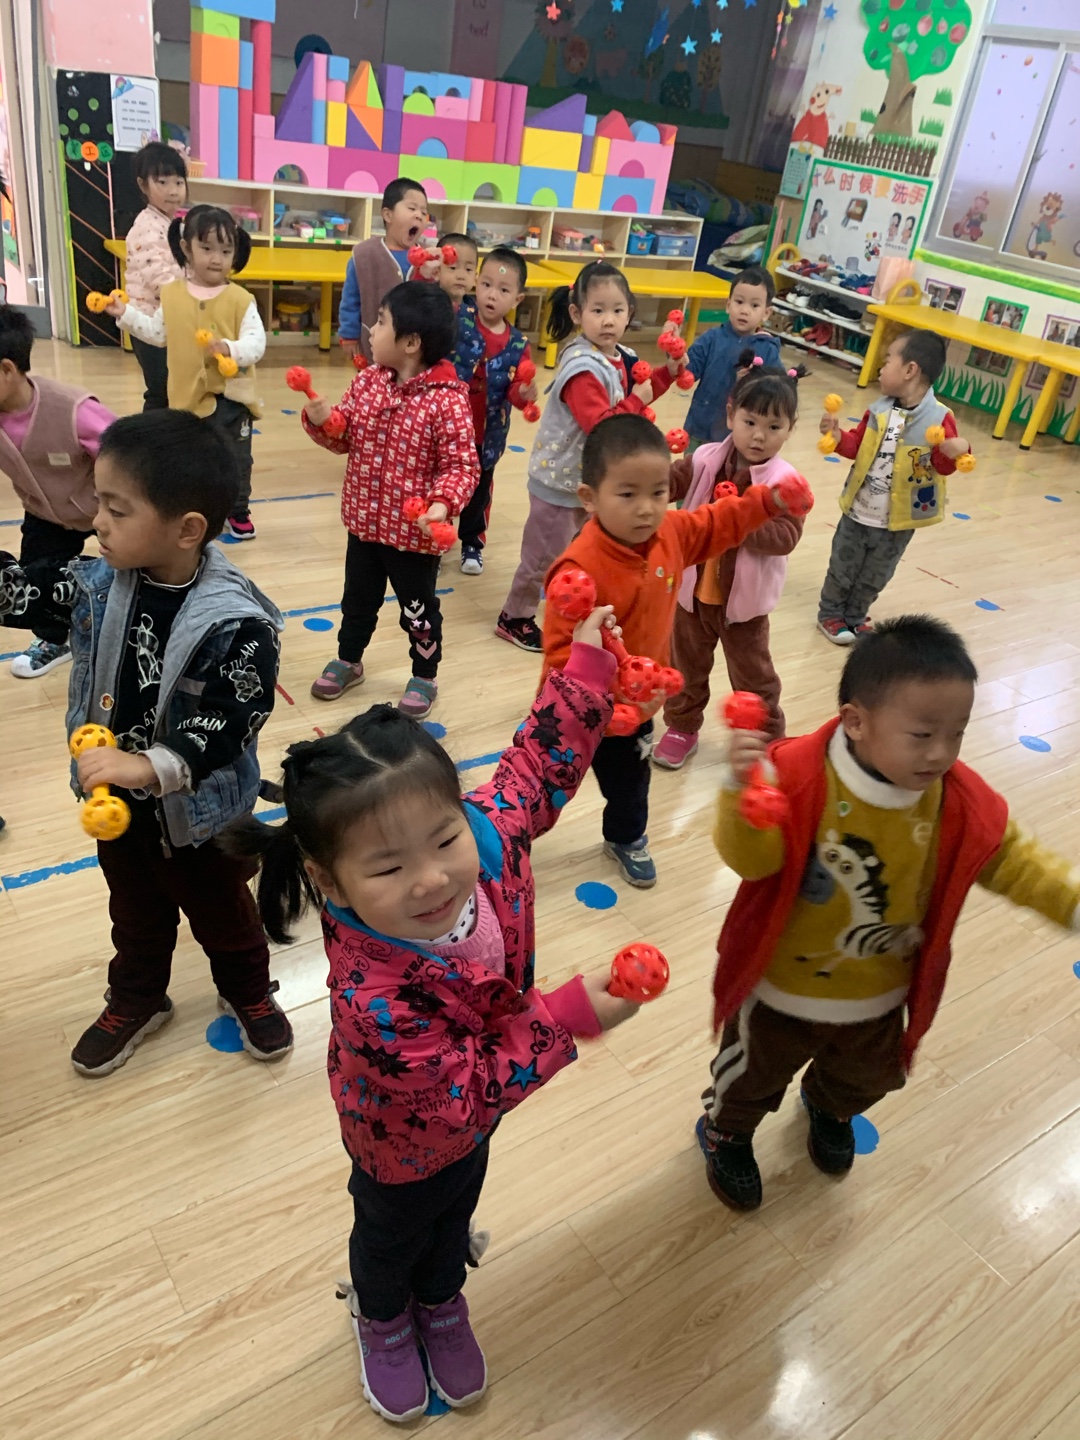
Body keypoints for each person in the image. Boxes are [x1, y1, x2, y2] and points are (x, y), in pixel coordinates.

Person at [227, 606, 641, 1424]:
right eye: (387, 867)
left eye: (443, 839)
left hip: (480, 1116)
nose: (431, 879)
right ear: (331, 881)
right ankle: (382, 1314)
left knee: (457, 1210)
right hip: (400, 1140)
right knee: (392, 1235)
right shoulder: (374, 997)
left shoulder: (482, 841)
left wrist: (587, 672)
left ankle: (442, 1295)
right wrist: (568, 1016)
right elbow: (459, 1094)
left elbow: (534, 769)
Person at [698, 615, 1080, 1210]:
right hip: (779, 991)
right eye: (922, 734)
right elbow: (752, 862)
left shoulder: (957, 800)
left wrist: (1072, 902)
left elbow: (1014, 860)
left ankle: (828, 1107)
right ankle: (727, 1131)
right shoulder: (794, 775)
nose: (941, 753)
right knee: (750, 1075)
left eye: (957, 734)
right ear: (856, 722)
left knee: (866, 1078)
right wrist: (742, 794)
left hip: (879, 994)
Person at [0, 411, 290, 1076]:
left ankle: (248, 990)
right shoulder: (97, 583)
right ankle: (139, 997)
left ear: (186, 529)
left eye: (116, 508)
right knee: (134, 917)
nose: (96, 521)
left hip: (206, 819)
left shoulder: (237, 621)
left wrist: (148, 765)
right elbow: (25, 592)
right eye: (98, 501)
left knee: (226, 917)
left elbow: (232, 717)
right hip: (122, 814)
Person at [541, 412, 808, 889]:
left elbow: (718, 521)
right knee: (544, 781)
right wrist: (594, 707)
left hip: (637, 710)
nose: (647, 509)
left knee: (631, 786)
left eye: (659, 492)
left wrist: (767, 501)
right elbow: (560, 653)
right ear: (589, 498)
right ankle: (511, 834)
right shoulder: (579, 568)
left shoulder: (672, 533)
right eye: (627, 494)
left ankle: (626, 838)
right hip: (574, 712)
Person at [301, 283, 478, 720]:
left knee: (418, 611)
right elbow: (344, 437)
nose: (372, 330)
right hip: (364, 524)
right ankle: (349, 659)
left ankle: (425, 674)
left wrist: (441, 504)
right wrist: (323, 421)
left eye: (381, 322)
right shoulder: (368, 382)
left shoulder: (447, 401)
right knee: (356, 601)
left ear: (411, 343)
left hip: (412, 539)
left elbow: (461, 466)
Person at [496, 260, 679, 654]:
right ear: (577, 314)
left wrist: (668, 372)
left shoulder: (620, 355)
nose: (608, 320)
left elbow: (642, 388)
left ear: (630, 313)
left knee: (579, 549)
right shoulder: (581, 366)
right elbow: (601, 425)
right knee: (543, 556)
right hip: (559, 483)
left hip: (589, 481)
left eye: (617, 310)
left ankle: (574, 603)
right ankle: (515, 617)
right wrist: (638, 400)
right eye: (597, 310)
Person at [654, 357, 807, 770]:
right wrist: (644, 481)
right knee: (685, 668)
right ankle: (681, 727)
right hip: (691, 596)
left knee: (754, 679)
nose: (759, 435)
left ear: (790, 429)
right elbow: (672, 481)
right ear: (730, 415)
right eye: (750, 421)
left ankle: (766, 740)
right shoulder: (705, 458)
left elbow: (787, 537)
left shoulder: (784, 483)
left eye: (773, 427)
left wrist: (740, 517)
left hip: (744, 608)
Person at [105, 205, 266, 541]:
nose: (216, 259)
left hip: (233, 400)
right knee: (194, 458)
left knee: (237, 457)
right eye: (206, 248)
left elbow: (256, 343)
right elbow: (157, 333)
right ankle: (201, 509)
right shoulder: (172, 295)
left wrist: (231, 348)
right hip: (186, 398)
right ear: (186, 248)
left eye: (225, 251)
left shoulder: (241, 299)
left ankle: (238, 509)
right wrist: (126, 314)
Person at [817, 331, 971, 645]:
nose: (881, 367)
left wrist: (957, 450)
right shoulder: (878, 411)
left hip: (898, 521)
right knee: (842, 567)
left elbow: (942, 467)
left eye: (888, 360)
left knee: (876, 575)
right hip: (858, 511)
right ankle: (830, 614)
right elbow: (857, 446)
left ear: (910, 370)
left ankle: (855, 616)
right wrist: (837, 437)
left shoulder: (940, 419)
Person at [0, 305, 117, 679]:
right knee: (36, 575)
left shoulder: (72, 410)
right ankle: (55, 639)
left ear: (7, 370)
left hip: (104, 509)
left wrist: (119, 507)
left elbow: (126, 454)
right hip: (44, 512)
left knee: (135, 564)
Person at [451, 246, 538, 576]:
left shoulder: (518, 344)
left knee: (478, 491)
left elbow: (513, 392)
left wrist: (524, 394)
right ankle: (434, 536)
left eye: (503, 290)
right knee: (442, 482)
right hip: (448, 426)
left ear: (517, 299)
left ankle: (472, 542)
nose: (492, 295)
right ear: (476, 283)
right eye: (486, 284)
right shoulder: (459, 317)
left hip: (486, 435)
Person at [682, 266, 781, 449]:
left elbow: (777, 391)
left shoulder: (768, 349)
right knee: (692, 466)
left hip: (738, 437)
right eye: (739, 302)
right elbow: (688, 371)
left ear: (766, 313)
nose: (744, 310)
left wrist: (751, 383)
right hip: (699, 427)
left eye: (754, 305)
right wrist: (676, 353)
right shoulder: (712, 338)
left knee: (727, 469)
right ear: (728, 305)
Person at [122, 140, 187, 410]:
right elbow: (161, 280)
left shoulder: (170, 223)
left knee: (172, 388)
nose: (173, 191)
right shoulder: (146, 227)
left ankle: (165, 432)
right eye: (162, 182)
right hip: (147, 324)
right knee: (160, 390)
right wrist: (194, 295)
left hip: (165, 322)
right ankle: (150, 434)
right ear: (143, 185)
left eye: (179, 182)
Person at [338, 177, 429, 362]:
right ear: (388, 215)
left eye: (424, 212)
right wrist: (349, 335)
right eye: (412, 208)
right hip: (373, 346)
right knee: (373, 378)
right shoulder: (364, 255)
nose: (419, 215)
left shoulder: (428, 258)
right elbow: (351, 299)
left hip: (415, 350)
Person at [433, 231, 478, 308]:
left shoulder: (475, 308)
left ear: (475, 278)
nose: (461, 276)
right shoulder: (428, 305)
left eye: (468, 269)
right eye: (453, 268)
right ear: (436, 272)